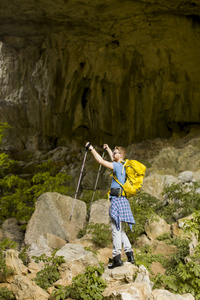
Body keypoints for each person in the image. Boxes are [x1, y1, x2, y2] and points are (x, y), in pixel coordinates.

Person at [85, 142, 135, 269]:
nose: (113, 154)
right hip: (123, 200)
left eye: (116, 152)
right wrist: (108, 149)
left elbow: (101, 161)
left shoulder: (118, 166)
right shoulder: (124, 165)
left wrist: (92, 149)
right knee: (121, 230)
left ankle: (117, 258)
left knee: (115, 230)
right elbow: (113, 158)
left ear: (121, 155)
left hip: (117, 201)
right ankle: (130, 256)